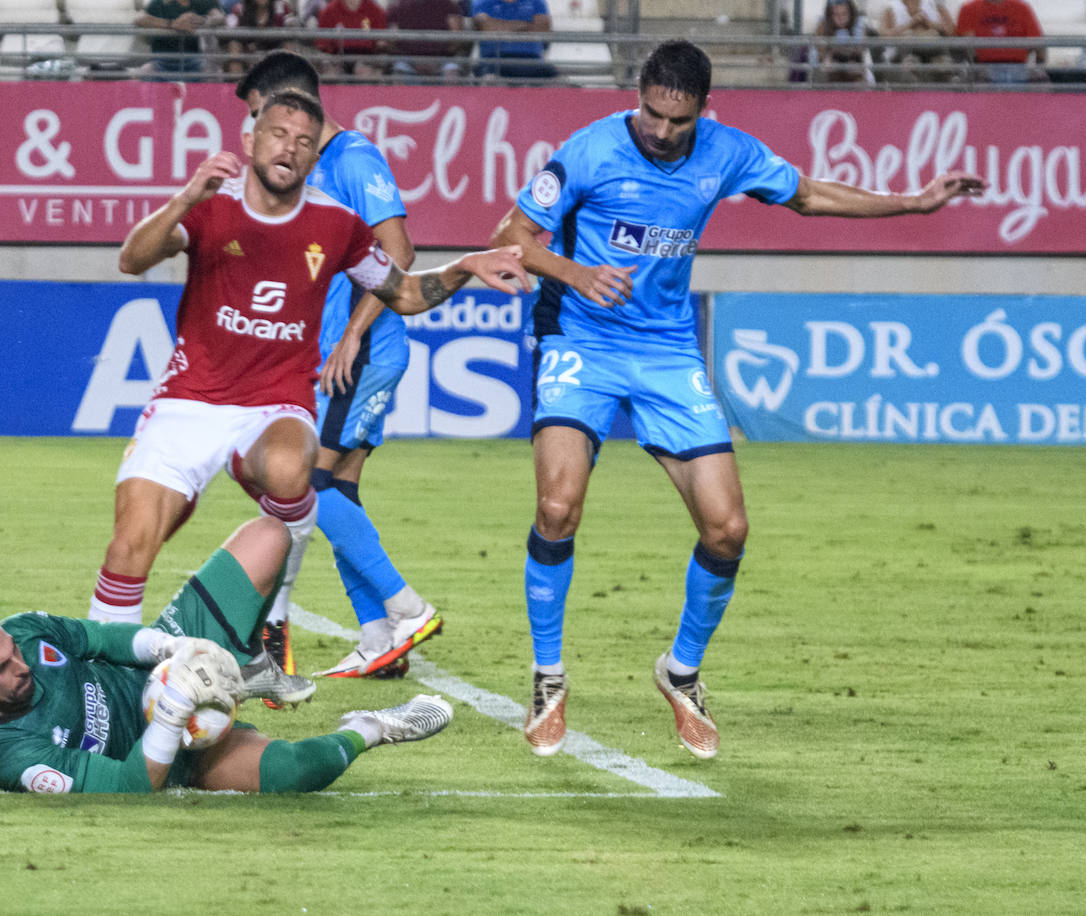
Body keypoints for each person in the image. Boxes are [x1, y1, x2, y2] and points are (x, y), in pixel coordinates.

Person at [490, 39, 983, 760]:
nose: (661, 133)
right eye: (653, 116)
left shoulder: (727, 153)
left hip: (666, 352)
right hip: (581, 341)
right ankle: (548, 675)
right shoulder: (590, 151)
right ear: (639, 96)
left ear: (703, 111)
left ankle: (680, 671)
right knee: (557, 508)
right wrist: (575, 270)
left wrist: (911, 202)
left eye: (677, 122)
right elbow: (509, 235)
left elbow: (809, 195)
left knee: (728, 531)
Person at [86, 90, 529, 718]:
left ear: (313, 150)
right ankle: (101, 692)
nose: (288, 147)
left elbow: (402, 291)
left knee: (297, 468)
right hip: (190, 401)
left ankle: (261, 638)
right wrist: (186, 197)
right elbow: (132, 259)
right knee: (128, 549)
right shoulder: (213, 208)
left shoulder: (335, 225)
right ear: (250, 139)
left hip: (275, 405)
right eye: (277, 133)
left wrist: (464, 266)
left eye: (302, 138)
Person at [0, 516, 456, 794]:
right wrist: (174, 707)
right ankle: (376, 726)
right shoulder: (6, 753)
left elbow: (107, 641)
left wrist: (173, 648)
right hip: (173, 755)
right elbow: (129, 789)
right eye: (2, 670)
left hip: (161, 671)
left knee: (270, 535)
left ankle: (243, 661)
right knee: (294, 773)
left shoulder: (26, 634)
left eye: (13, 652)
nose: (22, 665)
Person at [233, 51, 440, 681]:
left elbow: (400, 250)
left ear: (284, 103)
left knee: (308, 489)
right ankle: (379, 635)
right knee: (338, 490)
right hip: (335, 354)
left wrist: (351, 335)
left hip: (362, 353)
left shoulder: (353, 158)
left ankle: (406, 609)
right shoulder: (316, 169)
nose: (253, 130)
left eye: (255, 114)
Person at [956, 0, 1046, 83]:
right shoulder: (969, 9)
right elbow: (967, 46)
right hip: (984, 69)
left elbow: (1038, 44)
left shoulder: (1022, 8)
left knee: (1041, 82)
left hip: (1018, 68)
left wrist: (1039, 67)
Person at [136, 0, 225, 79]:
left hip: (194, 62)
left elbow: (220, 18)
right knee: (145, 72)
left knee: (214, 75)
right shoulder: (159, 3)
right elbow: (139, 19)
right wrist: (172, 24)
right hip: (161, 62)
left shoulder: (202, 2)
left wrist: (202, 20)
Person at [470, 0, 555, 80]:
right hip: (493, 60)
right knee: (488, 80)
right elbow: (488, 27)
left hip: (532, 60)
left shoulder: (536, 1)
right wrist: (526, 26)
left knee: (559, 82)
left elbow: (543, 28)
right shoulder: (482, 1)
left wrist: (503, 27)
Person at [878, 0, 959, 80]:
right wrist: (909, 24)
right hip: (903, 53)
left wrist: (930, 24)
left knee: (934, 38)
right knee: (908, 38)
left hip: (932, 50)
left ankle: (947, 72)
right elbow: (882, 35)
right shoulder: (890, 8)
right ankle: (911, 71)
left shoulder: (935, 5)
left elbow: (950, 30)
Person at [388, 0, 466, 80]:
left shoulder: (449, 5)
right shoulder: (397, 6)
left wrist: (438, 59)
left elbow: (456, 38)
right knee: (400, 71)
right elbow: (391, 39)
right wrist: (414, 60)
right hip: (408, 60)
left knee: (451, 71)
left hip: (443, 59)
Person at [222, 0, 301, 75]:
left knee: (289, 46)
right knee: (234, 45)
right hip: (248, 54)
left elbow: (291, 20)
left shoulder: (281, 7)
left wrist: (292, 23)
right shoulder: (240, 8)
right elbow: (230, 25)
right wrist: (221, 21)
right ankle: (237, 84)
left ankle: (289, 84)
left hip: (274, 52)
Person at [315, 0, 387, 77]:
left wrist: (374, 66)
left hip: (366, 57)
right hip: (337, 57)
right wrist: (331, 63)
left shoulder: (375, 10)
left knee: (365, 73)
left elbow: (381, 44)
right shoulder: (329, 11)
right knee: (330, 74)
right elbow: (322, 45)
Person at [809, 0, 876, 84]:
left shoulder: (858, 23)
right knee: (827, 67)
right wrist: (830, 53)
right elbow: (820, 55)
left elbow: (861, 51)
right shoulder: (823, 25)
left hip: (853, 64)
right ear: (830, 15)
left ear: (851, 13)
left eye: (844, 14)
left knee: (855, 69)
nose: (841, 19)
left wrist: (850, 52)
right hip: (831, 68)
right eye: (836, 14)